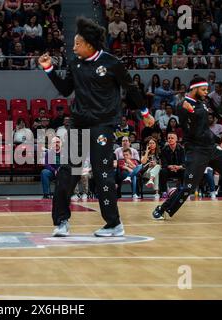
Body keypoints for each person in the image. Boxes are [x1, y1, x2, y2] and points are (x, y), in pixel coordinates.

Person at [38, 17, 154, 237]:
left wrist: (145, 113)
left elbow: (131, 88)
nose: (73, 47)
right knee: (67, 172)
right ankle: (61, 221)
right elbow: (64, 89)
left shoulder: (112, 63)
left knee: (103, 175)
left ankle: (114, 224)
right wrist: (49, 69)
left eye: (77, 43)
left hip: (103, 125)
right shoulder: (75, 63)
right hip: (78, 124)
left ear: (89, 44)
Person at [152, 77, 222, 220]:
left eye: (207, 89)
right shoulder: (183, 105)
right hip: (196, 150)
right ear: (194, 89)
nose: (207, 92)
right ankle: (162, 208)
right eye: (204, 89)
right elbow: (190, 131)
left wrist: (220, 140)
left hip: (211, 148)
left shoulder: (202, 104)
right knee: (188, 187)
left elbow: (204, 129)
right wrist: (193, 114)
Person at [159, 132, 185, 197]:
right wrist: (170, 166)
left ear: (176, 139)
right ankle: (164, 191)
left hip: (179, 169)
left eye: (172, 138)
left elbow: (184, 163)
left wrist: (179, 167)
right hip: (169, 169)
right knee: (162, 171)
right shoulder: (164, 149)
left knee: (185, 171)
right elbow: (163, 163)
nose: (170, 139)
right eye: (169, 138)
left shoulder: (181, 149)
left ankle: (184, 191)